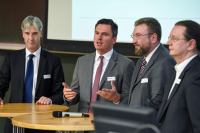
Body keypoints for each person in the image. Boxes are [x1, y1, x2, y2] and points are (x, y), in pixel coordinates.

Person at [0, 15, 65, 133]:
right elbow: (2, 83)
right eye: (27, 33)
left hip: (43, 122)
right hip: (15, 120)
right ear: (23, 34)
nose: (31, 38)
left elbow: (60, 94)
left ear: (41, 34)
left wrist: (49, 100)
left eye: (35, 33)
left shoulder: (53, 60)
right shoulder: (12, 58)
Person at [63, 18, 135, 113]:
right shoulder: (82, 61)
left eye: (105, 34)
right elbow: (75, 93)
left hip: (108, 123)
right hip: (82, 122)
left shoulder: (125, 64)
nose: (99, 38)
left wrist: (117, 98)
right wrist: (69, 96)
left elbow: (131, 100)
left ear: (114, 40)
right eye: (97, 33)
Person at [121, 17, 176, 109]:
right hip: (135, 121)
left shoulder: (165, 61)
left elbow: (158, 103)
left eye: (138, 36)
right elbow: (136, 98)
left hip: (148, 122)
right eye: (133, 36)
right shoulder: (141, 60)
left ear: (153, 38)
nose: (133, 41)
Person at [157, 20, 200, 133]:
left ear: (190, 44)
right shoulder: (177, 71)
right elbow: (158, 103)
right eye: (169, 37)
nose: (168, 42)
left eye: (174, 38)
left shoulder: (195, 76)